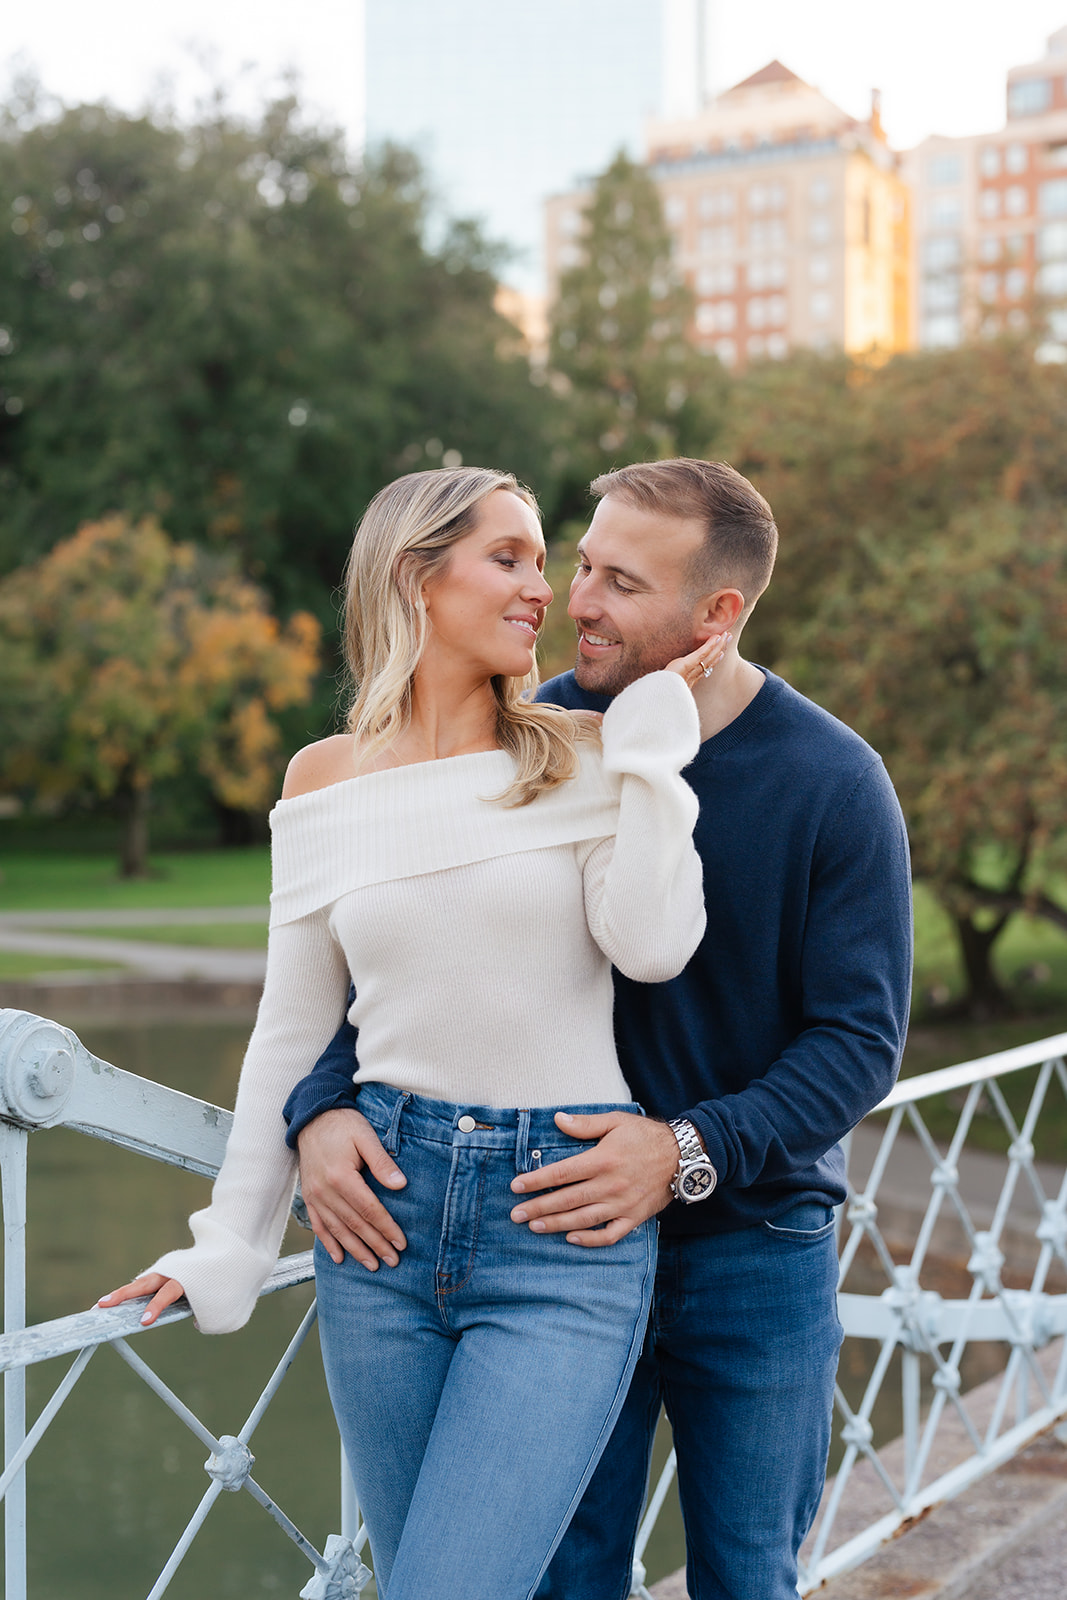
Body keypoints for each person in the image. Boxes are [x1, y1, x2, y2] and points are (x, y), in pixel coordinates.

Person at [285, 458, 913, 1600]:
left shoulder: (833, 780)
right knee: (567, 1580)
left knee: (744, 1577)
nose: (574, 601)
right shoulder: (540, 738)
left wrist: (680, 1150)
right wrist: (319, 1106)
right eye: (581, 564)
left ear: (715, 615)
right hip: (546, 1232)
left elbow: (857, 1043)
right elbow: (403, 946)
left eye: (619, 581)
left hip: (752, 1249)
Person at [99, 466, 724, 1600]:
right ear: (414, 575)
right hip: (376, 1230)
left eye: (545, 560)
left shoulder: (573, 755)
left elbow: (652, 944)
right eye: (511, 558)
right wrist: (231, 1243)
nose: (545, 588)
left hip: (557, 1230)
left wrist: (648, 751)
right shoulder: (322, 780)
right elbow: (289, 1031)